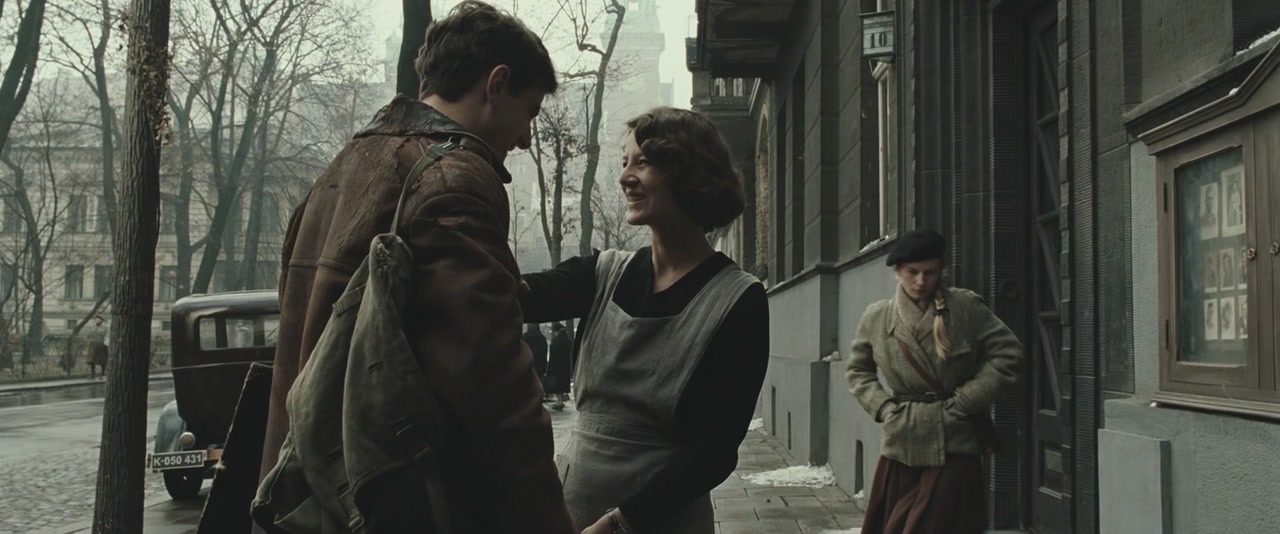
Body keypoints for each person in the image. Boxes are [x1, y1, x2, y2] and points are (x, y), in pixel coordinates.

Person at [250, 2, 574, 532]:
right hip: (400, 506)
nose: (524, 138)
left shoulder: (338, 171)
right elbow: (493, 394)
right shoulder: (453, 180)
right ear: (496, 84)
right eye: (530, 112)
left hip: (312, 502)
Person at [521, 107, 770, 534]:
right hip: (571, 511)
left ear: (689, 172)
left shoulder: (737, 299)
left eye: (644, 162)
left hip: (661, 521)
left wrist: (620, 524)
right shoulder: (601, 273)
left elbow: (713, 452)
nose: (625, 177)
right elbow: (510, 296)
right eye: (624, 162)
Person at [846, 229, 1023, 534]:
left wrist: (967, 400)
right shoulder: (878, 317)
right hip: (903, 439)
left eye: (929, 272)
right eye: (912, 272)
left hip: (954, 439)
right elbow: (858, 371)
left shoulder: (965, 307)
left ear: (941, 270)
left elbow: (1009, 353)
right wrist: (884, 407)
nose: (921, 281)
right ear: (898, 271)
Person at [543, 322, 573, 410]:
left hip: (557, 366)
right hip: (565, 365)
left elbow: (553, 356)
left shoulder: (556, 341)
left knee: (557, 385)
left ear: (557, 331)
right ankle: (561, 400)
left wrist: (549, 368)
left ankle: (559, 402)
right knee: (563, 383)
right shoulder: (568, 340)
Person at [85, 315, 108, 379]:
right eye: (96, 319)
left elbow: (107, 336)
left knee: (102, 360)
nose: (97, 320)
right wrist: (89, 339)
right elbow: (89, 335)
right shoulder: (93, 327)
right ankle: (92, 373)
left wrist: (106, 343)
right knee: (92, 359)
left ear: (102, 320)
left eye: (99, 319)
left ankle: (103, 373)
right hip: (93, 344)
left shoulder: (105, 328)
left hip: (101, 344)